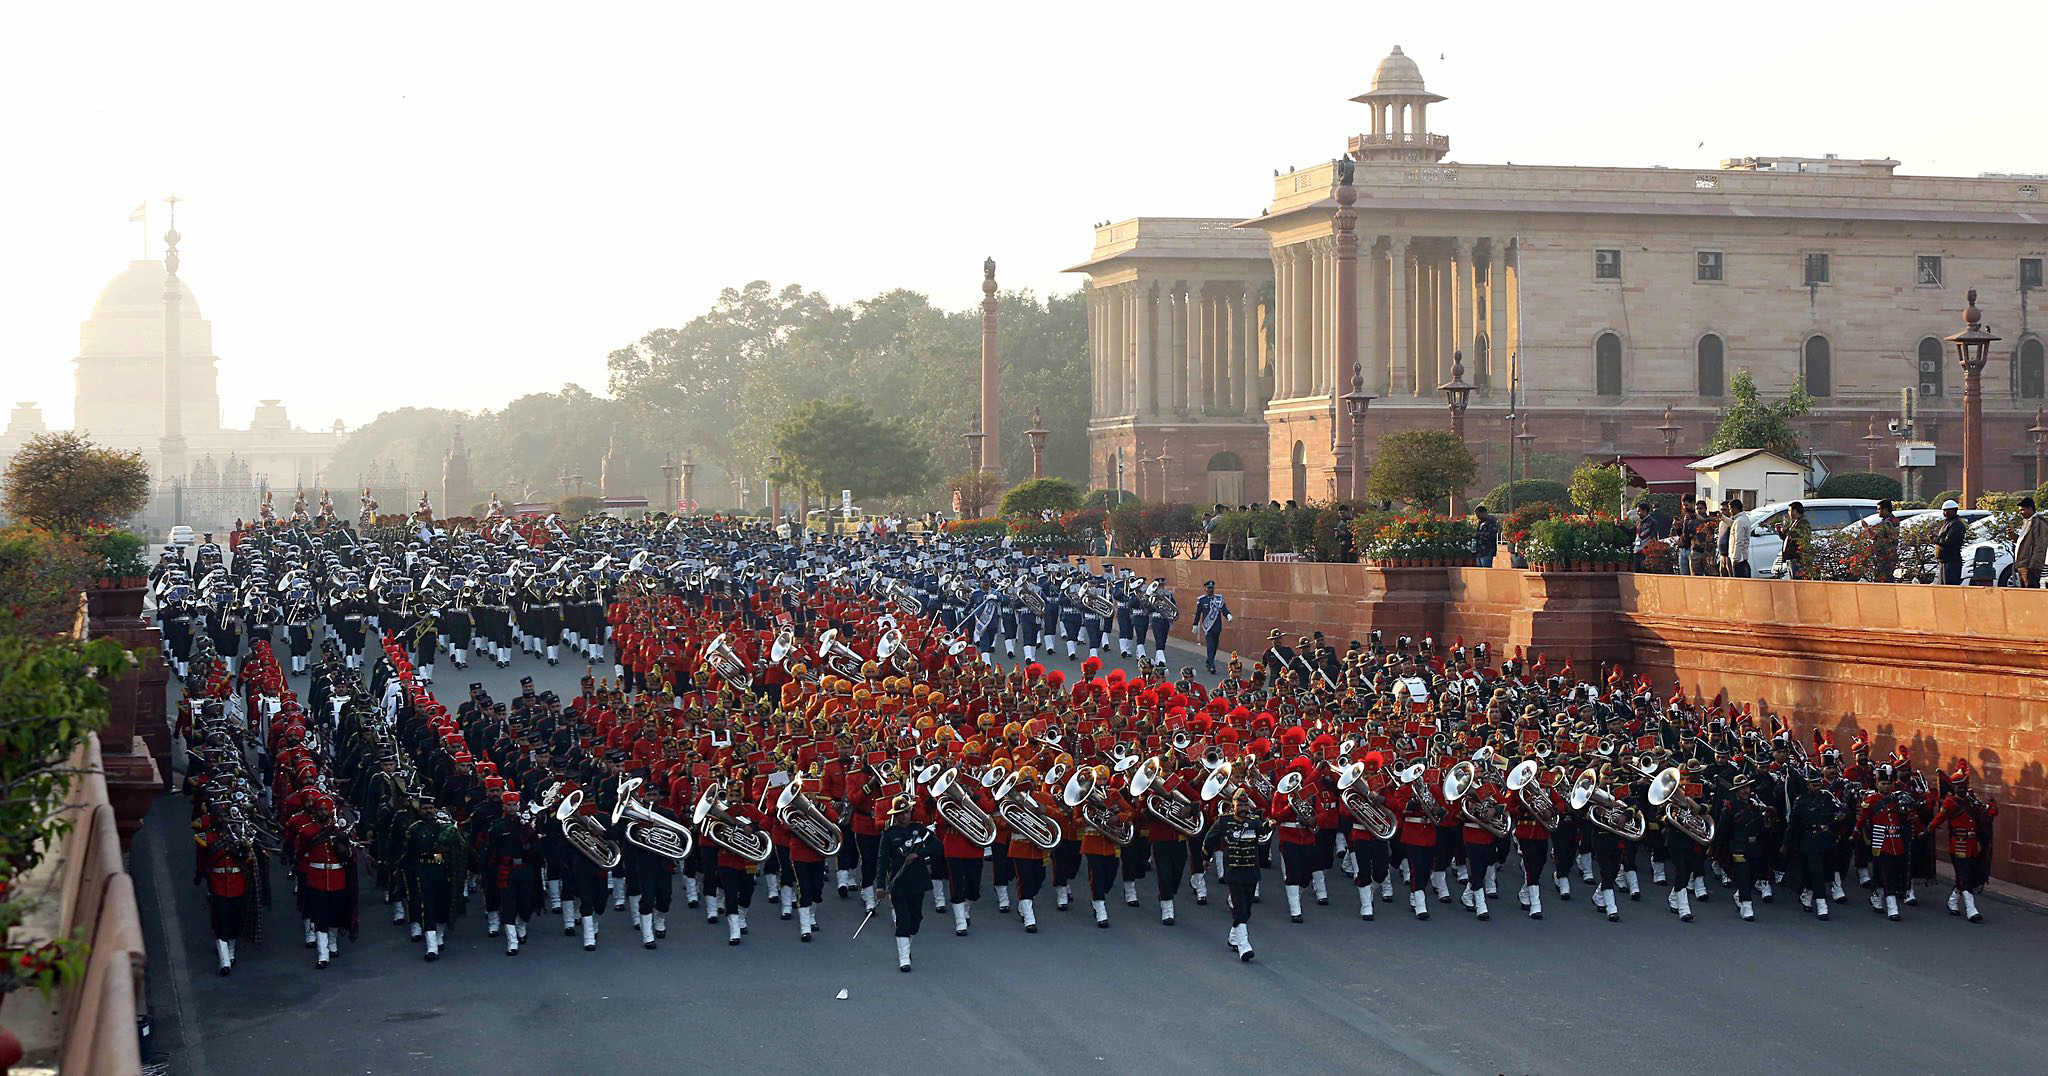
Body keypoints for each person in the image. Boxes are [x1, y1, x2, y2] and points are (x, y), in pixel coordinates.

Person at [1203, 788, 1269, 961]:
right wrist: (1205, 857)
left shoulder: (1254, 821)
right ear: (1233, 805)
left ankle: (1233, 938)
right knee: (1239, 909)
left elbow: (1262, 831)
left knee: (1246, 910)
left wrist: (1270, 824)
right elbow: (1209, 839)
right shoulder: (1224, 821)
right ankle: (1244, 946)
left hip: (1251, 871)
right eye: (1239, 804)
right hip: (1234, 871)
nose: (1242, 807)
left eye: (1245, 804)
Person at [875, 794, 930, 971]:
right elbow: (882, 861)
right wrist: (881, 886)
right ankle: (904, 958)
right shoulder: (889, 834)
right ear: (895, 815)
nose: (905, 816)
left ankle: (908, 944)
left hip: (918, 880)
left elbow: (936, 847)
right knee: (903, 920)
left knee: (916, 919)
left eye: (907, 812)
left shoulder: (920, 830)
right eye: (902, 813)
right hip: (898, 883)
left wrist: (918, 854)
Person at [1192, 580, 1232, 675]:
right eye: (1209, 588)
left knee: (1214, 646)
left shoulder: (1219, 599)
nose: (1211, 590)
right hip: (1208, 627)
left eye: (1212, 588)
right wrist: (1195, 625)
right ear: (1205, 589)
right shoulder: (1202, 600)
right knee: (1210, 646)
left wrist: (1228, 615)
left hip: (1217, 626)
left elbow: (1224, 609)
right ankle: (1212, 666)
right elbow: (1198, 614)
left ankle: (1209, 661)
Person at [2013, 496, 2044, 588]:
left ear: (2030, 508)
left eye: (2022, 510)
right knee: (2024, 596)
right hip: (2022, 565)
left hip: (2030, 566)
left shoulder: (2038, 523)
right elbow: (2025, 542)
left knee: (2031, 594)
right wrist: (2013, 537)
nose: (2021, 513)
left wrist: (2033, 566)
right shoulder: (2026, 521)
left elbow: (2040, 546)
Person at [1868, 499, 1901, 583]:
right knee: (1885, 577)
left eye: (1879, 509)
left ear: (1885, 509)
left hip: (1886, 555)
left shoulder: (1888, 522)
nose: (1877, 511)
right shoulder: (1892, 520)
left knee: (1885, 579)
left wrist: (1875, 537)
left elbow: (1892, 538)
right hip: (1889, 554)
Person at [1935, 499, 1968, 585]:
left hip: (1952, 561)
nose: (1945, 513)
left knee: (1950, 585)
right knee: (1943, 586)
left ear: (1954, 511)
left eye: (1947, 510)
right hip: (1944, 561)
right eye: (1944, 511)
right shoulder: (1947, 523)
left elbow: (1949, 542)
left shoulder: (1957, 524)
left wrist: (1936, 539)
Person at [1775, 502, 1811, 580]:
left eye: (1789, 510)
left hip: (1797, 557)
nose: (1788, 513)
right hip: (1790, 557)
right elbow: (1787, 538)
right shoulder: (1794, 522)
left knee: (1797, 579)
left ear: (1795, 511)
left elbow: (1797, 536)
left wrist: (1785, 530)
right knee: (1793, 578)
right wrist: (1780, 532)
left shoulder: (1803, 522)